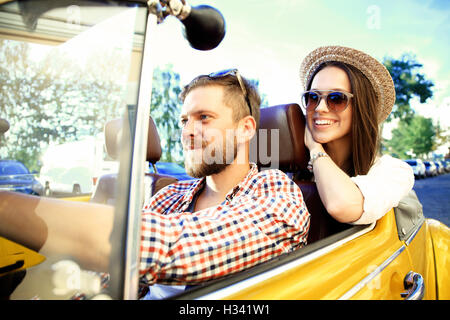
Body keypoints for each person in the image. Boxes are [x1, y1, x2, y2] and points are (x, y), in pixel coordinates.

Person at [0, 69, 310, 299]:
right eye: (184, 120)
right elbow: (112, 277)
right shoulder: (171, 196)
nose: (188, 131)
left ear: (245, 129)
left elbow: (171, 245)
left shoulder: (277, 192)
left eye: (204, 117)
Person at [298, 45, 414, 225]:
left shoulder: (394, 172)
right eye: (313, 97)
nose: (320, 108)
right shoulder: (292, 170)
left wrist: (315, 149)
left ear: (361, 108)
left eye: (336, 98)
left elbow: (342, 206)